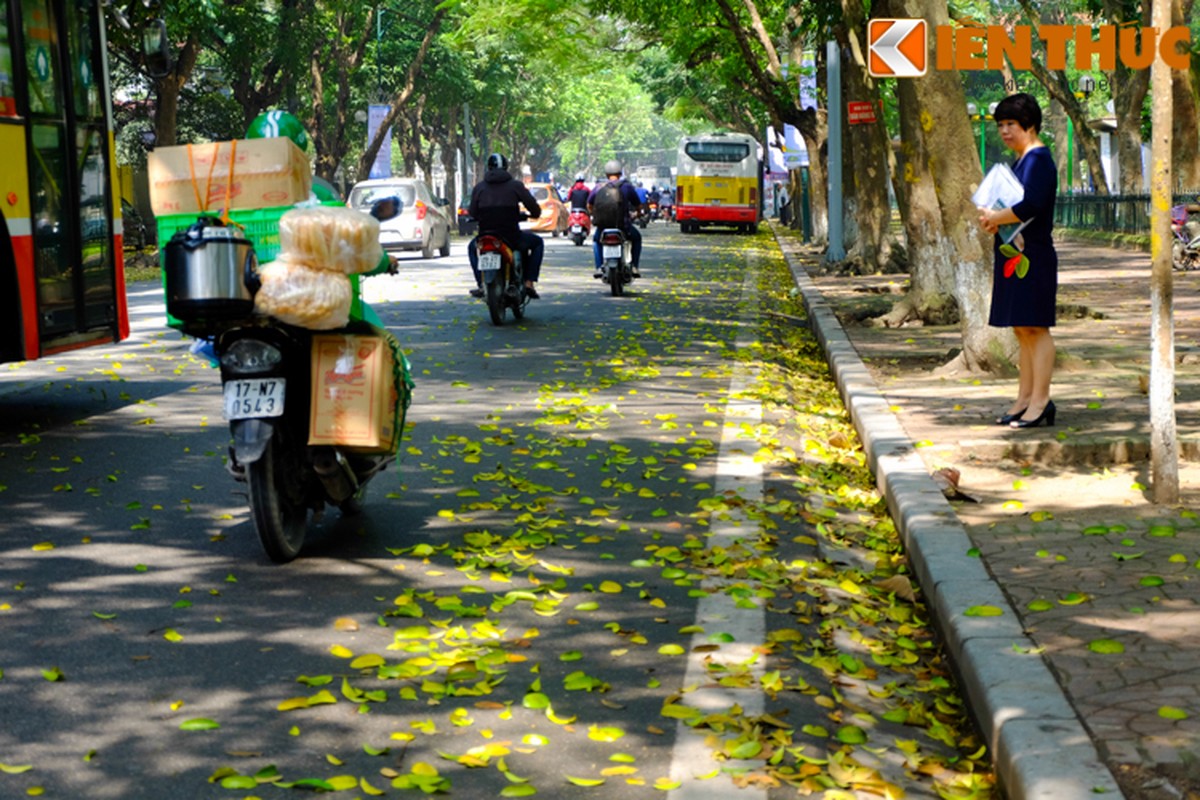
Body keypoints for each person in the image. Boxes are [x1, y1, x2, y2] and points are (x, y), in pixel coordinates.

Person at [977, 93, 1058, 429]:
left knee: (1036, 328)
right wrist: (995, 220)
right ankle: (1024, 399)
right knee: (1022, 328)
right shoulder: (1020, 161)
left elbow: (1032, 205)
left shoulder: (1039, 160)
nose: (1005, 131)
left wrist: (997, 215)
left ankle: (1041, 401)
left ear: (1030, 124)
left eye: (1011, 124)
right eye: (1000, 125)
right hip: (1014, 254)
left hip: (1034, 254)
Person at [466, 152, 544, 299]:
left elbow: (473, 213)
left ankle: (480, 284)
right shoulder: (516, 186)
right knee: (537, 242)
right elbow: (534, 208)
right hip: (511, 237)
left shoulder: (479, 188)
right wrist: (533, 214)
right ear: (506, 168)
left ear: (488, 168)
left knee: (472, 248)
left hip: (486, 236)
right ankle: (528, 283)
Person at [587, 160, 644, 278]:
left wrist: (595, 215)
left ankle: (599, 267)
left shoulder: (598, 187)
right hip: (624, 227)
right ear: (620, 173)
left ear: (606, 174)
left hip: (603, 227)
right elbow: (638, 205)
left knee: (597, 240)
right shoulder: (627, 187)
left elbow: (589, 205)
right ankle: (634, 266)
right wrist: (638, 214)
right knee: (637, 238)